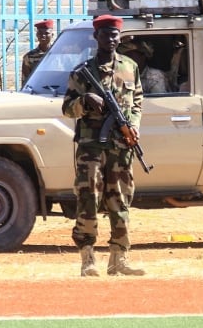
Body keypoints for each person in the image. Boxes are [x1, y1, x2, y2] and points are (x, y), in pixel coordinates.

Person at [61, 14, 145, 277]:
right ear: (96, 37)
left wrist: (132, 126)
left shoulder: (130, 67)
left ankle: (119, 259)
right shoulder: (82, 72)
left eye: (115, 35)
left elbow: (138, 101)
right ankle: (87, 258)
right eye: (106, 34)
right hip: (91, 148)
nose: (111, 39)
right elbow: (66, 109)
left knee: (120, 200)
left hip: (121, 147)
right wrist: (85, 100)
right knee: (89, 198)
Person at [21, 19, 55, 86]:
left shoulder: (59, 55)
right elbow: (25, 81)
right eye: (40, 33)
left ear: (52, 35)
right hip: (37, 92)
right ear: (37, 35)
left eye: (46, 33)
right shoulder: (29, 57)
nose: (43, 36)